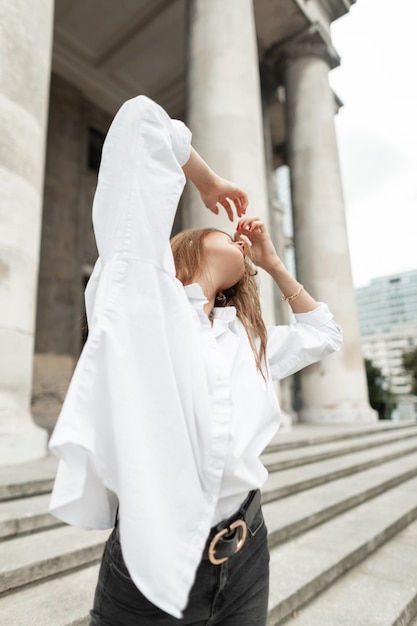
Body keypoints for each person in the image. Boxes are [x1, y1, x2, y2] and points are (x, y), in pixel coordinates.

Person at [48, 96, 342, 625]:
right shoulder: (142, 301)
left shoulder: (243, 340)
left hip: (246, 549)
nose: (238, 237)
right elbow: (141, 121)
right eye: (220, 232)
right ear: (186, 250)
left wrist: (273, 264)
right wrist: (205, 181)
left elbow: (324, 334)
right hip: (154, 559)